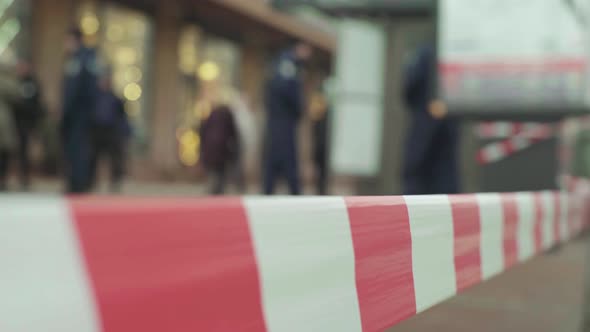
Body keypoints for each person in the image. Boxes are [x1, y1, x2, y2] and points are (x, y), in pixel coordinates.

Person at [402, 44, 460, 195]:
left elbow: (410, 86)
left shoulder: (425, 53)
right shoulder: (453, 53)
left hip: (424, 119)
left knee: (417, 172)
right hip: (448, 120)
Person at [263, 42, 312, 195]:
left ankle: (269, 192)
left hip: (278, 119)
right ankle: (293, 193)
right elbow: (288, 90)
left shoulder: (285, 63)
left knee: (277, 158)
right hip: (283, 120)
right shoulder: (288, 64)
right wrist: (299, 108)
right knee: (286, 158)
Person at [61, 27, 101, 193]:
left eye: (67, 40)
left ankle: (78, 184)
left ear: (74, 40)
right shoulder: (78, 59)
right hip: (78, 113)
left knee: (78, 148)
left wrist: (69, 110)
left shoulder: (82, 59)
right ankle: (76, 182)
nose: (65, 45)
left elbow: (80, 89)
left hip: (80, 113)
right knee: (75, 148)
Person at [89, 70, 130, 193]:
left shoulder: (115, 98)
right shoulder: (94, 97)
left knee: (115, 158)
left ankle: (115, 182)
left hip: (111, 132)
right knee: (93, 157)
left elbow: (122, 116)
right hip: (97, 131)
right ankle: (92, 181)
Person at [12, 59, 44, 190]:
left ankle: (25, 178)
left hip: (27, 122)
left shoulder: (32, 82)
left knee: (25, 151)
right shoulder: (14, 82)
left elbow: (35, 103)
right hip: (15, 122)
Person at [199, 104, 239, 195]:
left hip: (210, 150)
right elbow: (234, 134)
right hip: (222, 150)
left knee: (213, 171)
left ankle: (213, 188)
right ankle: (218, 189)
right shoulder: (227, 117)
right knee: (221, 171)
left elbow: (202, 132)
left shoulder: (210, 118)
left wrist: (203, 148)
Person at [0, 67, 21, 191]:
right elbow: (17, 95)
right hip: (4, 118)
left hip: (5, 118)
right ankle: (2, 179)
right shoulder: (7, 81)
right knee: (4, 152)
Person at [309, 81, 330, 195]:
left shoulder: (316, 101)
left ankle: (320, 188)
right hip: (321, 140)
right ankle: (321, 189)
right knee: (321, 168)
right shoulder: (321, 102)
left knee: (320, 167)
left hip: (319, 139)